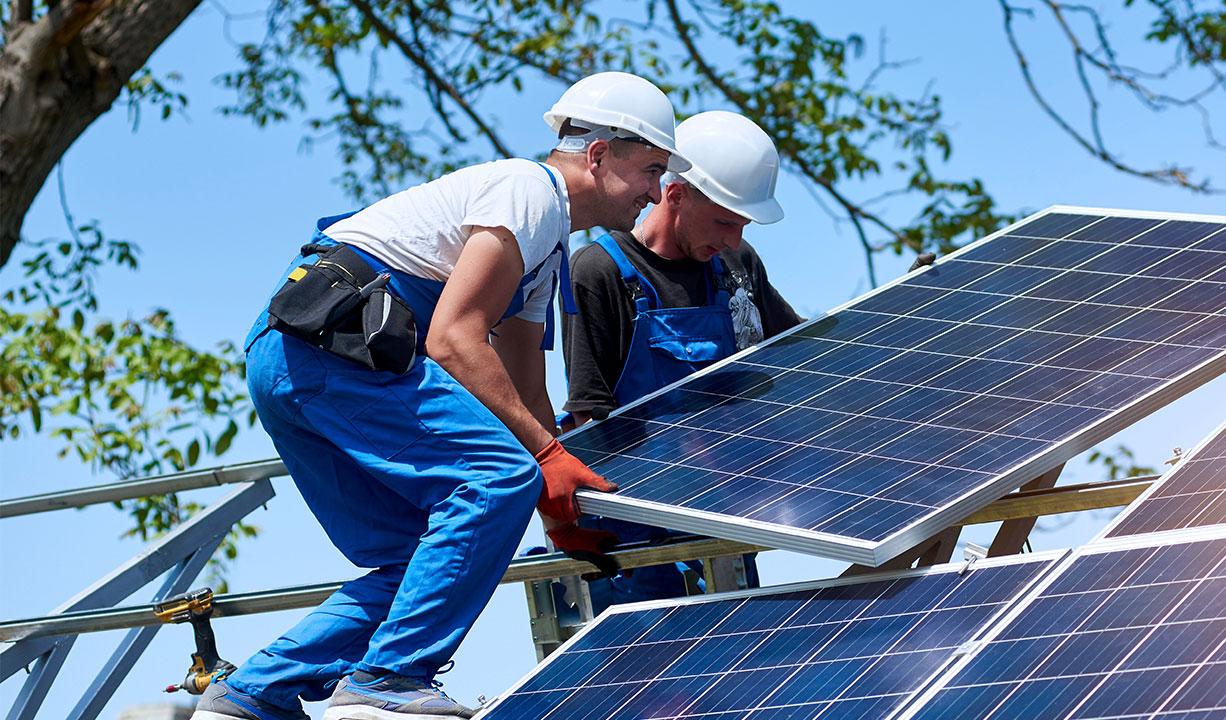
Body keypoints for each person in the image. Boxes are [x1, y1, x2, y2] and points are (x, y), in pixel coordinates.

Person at [193, 72, 687, 720]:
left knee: (413, 560)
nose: (656, 192)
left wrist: (556, 504)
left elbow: (521, 377)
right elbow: (454, 340)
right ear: (598, 155)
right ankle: (390, 680)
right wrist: (537, 462)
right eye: (651, 168)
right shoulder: (528, 193)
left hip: (290, 357)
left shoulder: (545, 245)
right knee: (492, 479)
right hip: (336, 354)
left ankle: (251, 696)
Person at [560, 111, 801, 611]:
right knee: (655, 680)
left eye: (743, 226)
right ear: (675, 195)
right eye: (724, 222)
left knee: (743, 663)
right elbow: (589, 417)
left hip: (724, 517)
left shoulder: (737, 266)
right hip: (637, 542)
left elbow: (801, 358)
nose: (733, 240)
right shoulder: (600, 272)